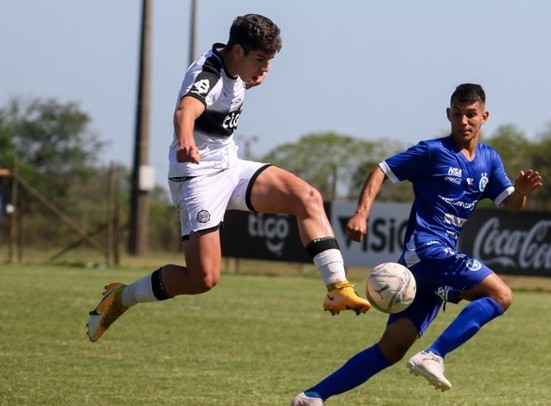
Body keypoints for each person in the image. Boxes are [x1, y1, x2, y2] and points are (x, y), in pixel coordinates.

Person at [87, 14, 371, 343]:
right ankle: (121, 297)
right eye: (260, 59)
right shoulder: (207, 72)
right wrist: (186, 139)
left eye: (269, 60)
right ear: (237, 50)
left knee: (306, 197)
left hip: (230, 167)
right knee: (202, 278)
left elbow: (235, 85)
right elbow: (187, 109)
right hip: (196, 178)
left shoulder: (236, 66)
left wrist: (253, 75)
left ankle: (338, 288)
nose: (265, 67)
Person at [290, 83, 543, 406]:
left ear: (484, 116)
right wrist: (361, 212)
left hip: (429, 265)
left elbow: (511, 205)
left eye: (470, 114)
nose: (463, 121)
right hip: (426, 250)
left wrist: (522, 192)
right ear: (448, 114)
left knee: (391, 349)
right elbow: (382, 168)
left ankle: (312, 397)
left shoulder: (489, 160)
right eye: (457, 114)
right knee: (501, 294)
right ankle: (434, 355)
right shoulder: (432, 152)